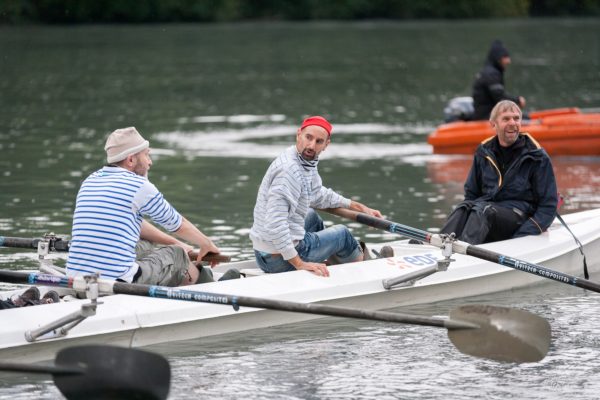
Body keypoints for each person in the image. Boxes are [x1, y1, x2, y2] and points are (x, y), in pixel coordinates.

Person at [66, 127, 231, 286]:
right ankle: (211, 285)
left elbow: (134, 224)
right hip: (117, 284)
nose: (150, 162)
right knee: (177, 254)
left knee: (147, 245)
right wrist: (206, 244)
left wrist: (176, 242)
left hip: (76, 280)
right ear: (131, 159)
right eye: (146, 155)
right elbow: (177, 224)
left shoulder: (90, 180)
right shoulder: (139, 186)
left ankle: (186, 275)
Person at [249, 116, 384, 277]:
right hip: (277, 261)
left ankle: (335, 259)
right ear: (298, 134)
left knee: (311, 216)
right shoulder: (289, 172)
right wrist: (299, 264)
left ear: (326, 145)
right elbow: (275, 223)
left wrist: (359, 207)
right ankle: (366, 265)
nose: (311, 146)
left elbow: (317, 194)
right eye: (308, 137)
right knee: (343, 234)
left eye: (319, 141)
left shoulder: (300, 160)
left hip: (266, 252)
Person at [440, 100, 558, 244]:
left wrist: (521, 237)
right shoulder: (483, 152)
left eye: (516, 118)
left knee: (485, 211)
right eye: (506, 119)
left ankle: (464, 254)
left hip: (520, 218)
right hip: (487, 215)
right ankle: (439, 245)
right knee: (463, 208)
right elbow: (471, 194)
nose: (513, 123)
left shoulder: (537, 156)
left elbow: (548, 206)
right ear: (493, 124)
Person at [471, 39, 526, 121]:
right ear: (498, 59)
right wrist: (518, 100)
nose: (508, 61)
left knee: (523, 116)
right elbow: (500, 99)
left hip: (485, 114)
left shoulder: (488, 71)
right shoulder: (491, 74)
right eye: (505, 57)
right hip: (486, 117)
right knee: (524, 118)